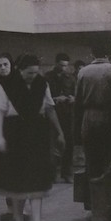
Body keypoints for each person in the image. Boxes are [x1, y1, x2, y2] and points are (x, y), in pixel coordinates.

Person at [0, 53, 65, 221]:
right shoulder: (5, 86)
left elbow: (49, 108)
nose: (33, 76)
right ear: (19, 70)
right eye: (29, 73)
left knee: (37, 182)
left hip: (37, 135)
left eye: (35, 73)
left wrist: (59, 132)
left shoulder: (41, 84)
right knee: (17, 184)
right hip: (14, 134)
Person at [73, 34, 111, 212]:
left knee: (93, 166)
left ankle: (98, 214)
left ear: (92, 53)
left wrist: (76, 133)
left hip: (88, 120)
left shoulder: (82, 73)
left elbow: (77, 105)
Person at [44, 52, 76, 182]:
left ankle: (67, 173)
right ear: (56, 63)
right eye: (61, 65)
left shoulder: (71, 78)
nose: (63, 68)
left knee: (68, 144)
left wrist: (71, 98)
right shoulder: (47, 78)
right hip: (52, 115)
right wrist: (56, 99)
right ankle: (51, 174)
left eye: (66, 66)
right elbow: (43, 97)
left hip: (67, 115)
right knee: (51, 145)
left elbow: (76, 95)